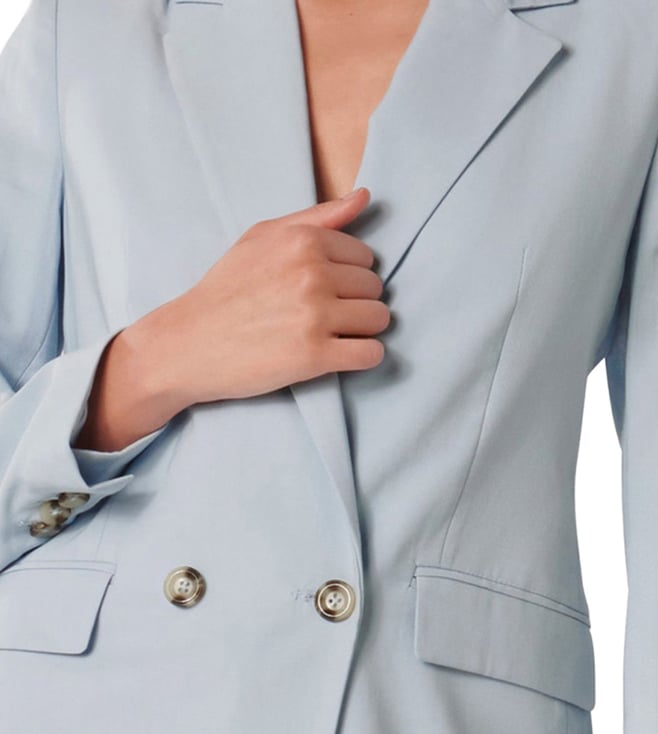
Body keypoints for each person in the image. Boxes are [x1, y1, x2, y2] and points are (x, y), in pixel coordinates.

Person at [0, 0, 657, 732]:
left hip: (432, 711)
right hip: (102, 699)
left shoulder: (629, 39)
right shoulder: (87, 26)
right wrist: (152, 365)